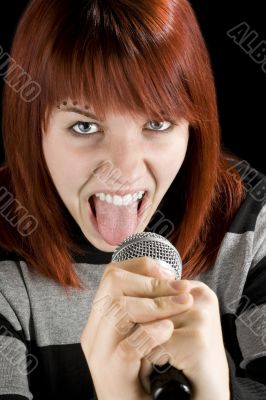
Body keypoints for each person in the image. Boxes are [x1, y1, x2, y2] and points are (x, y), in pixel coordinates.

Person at [0, 0, 265, 399]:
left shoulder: (249, 227)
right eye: (84, 125)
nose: (122, 170)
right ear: (32, 128)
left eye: (157, 123)